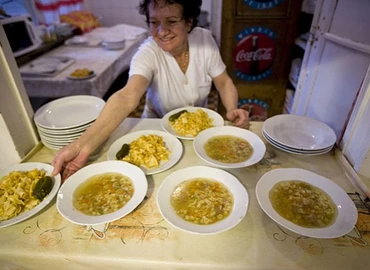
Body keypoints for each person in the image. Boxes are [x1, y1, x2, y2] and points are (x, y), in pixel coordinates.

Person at [52, 0, 249, 180]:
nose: (162, 32)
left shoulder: (204, 40)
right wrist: (81, 146)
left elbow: (223, 82)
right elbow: (127, 96)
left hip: (199, 132)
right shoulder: (147, 53)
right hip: (157, 133)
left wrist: (231, 108)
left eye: (171, 21)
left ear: (188, 22)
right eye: (154, 23)